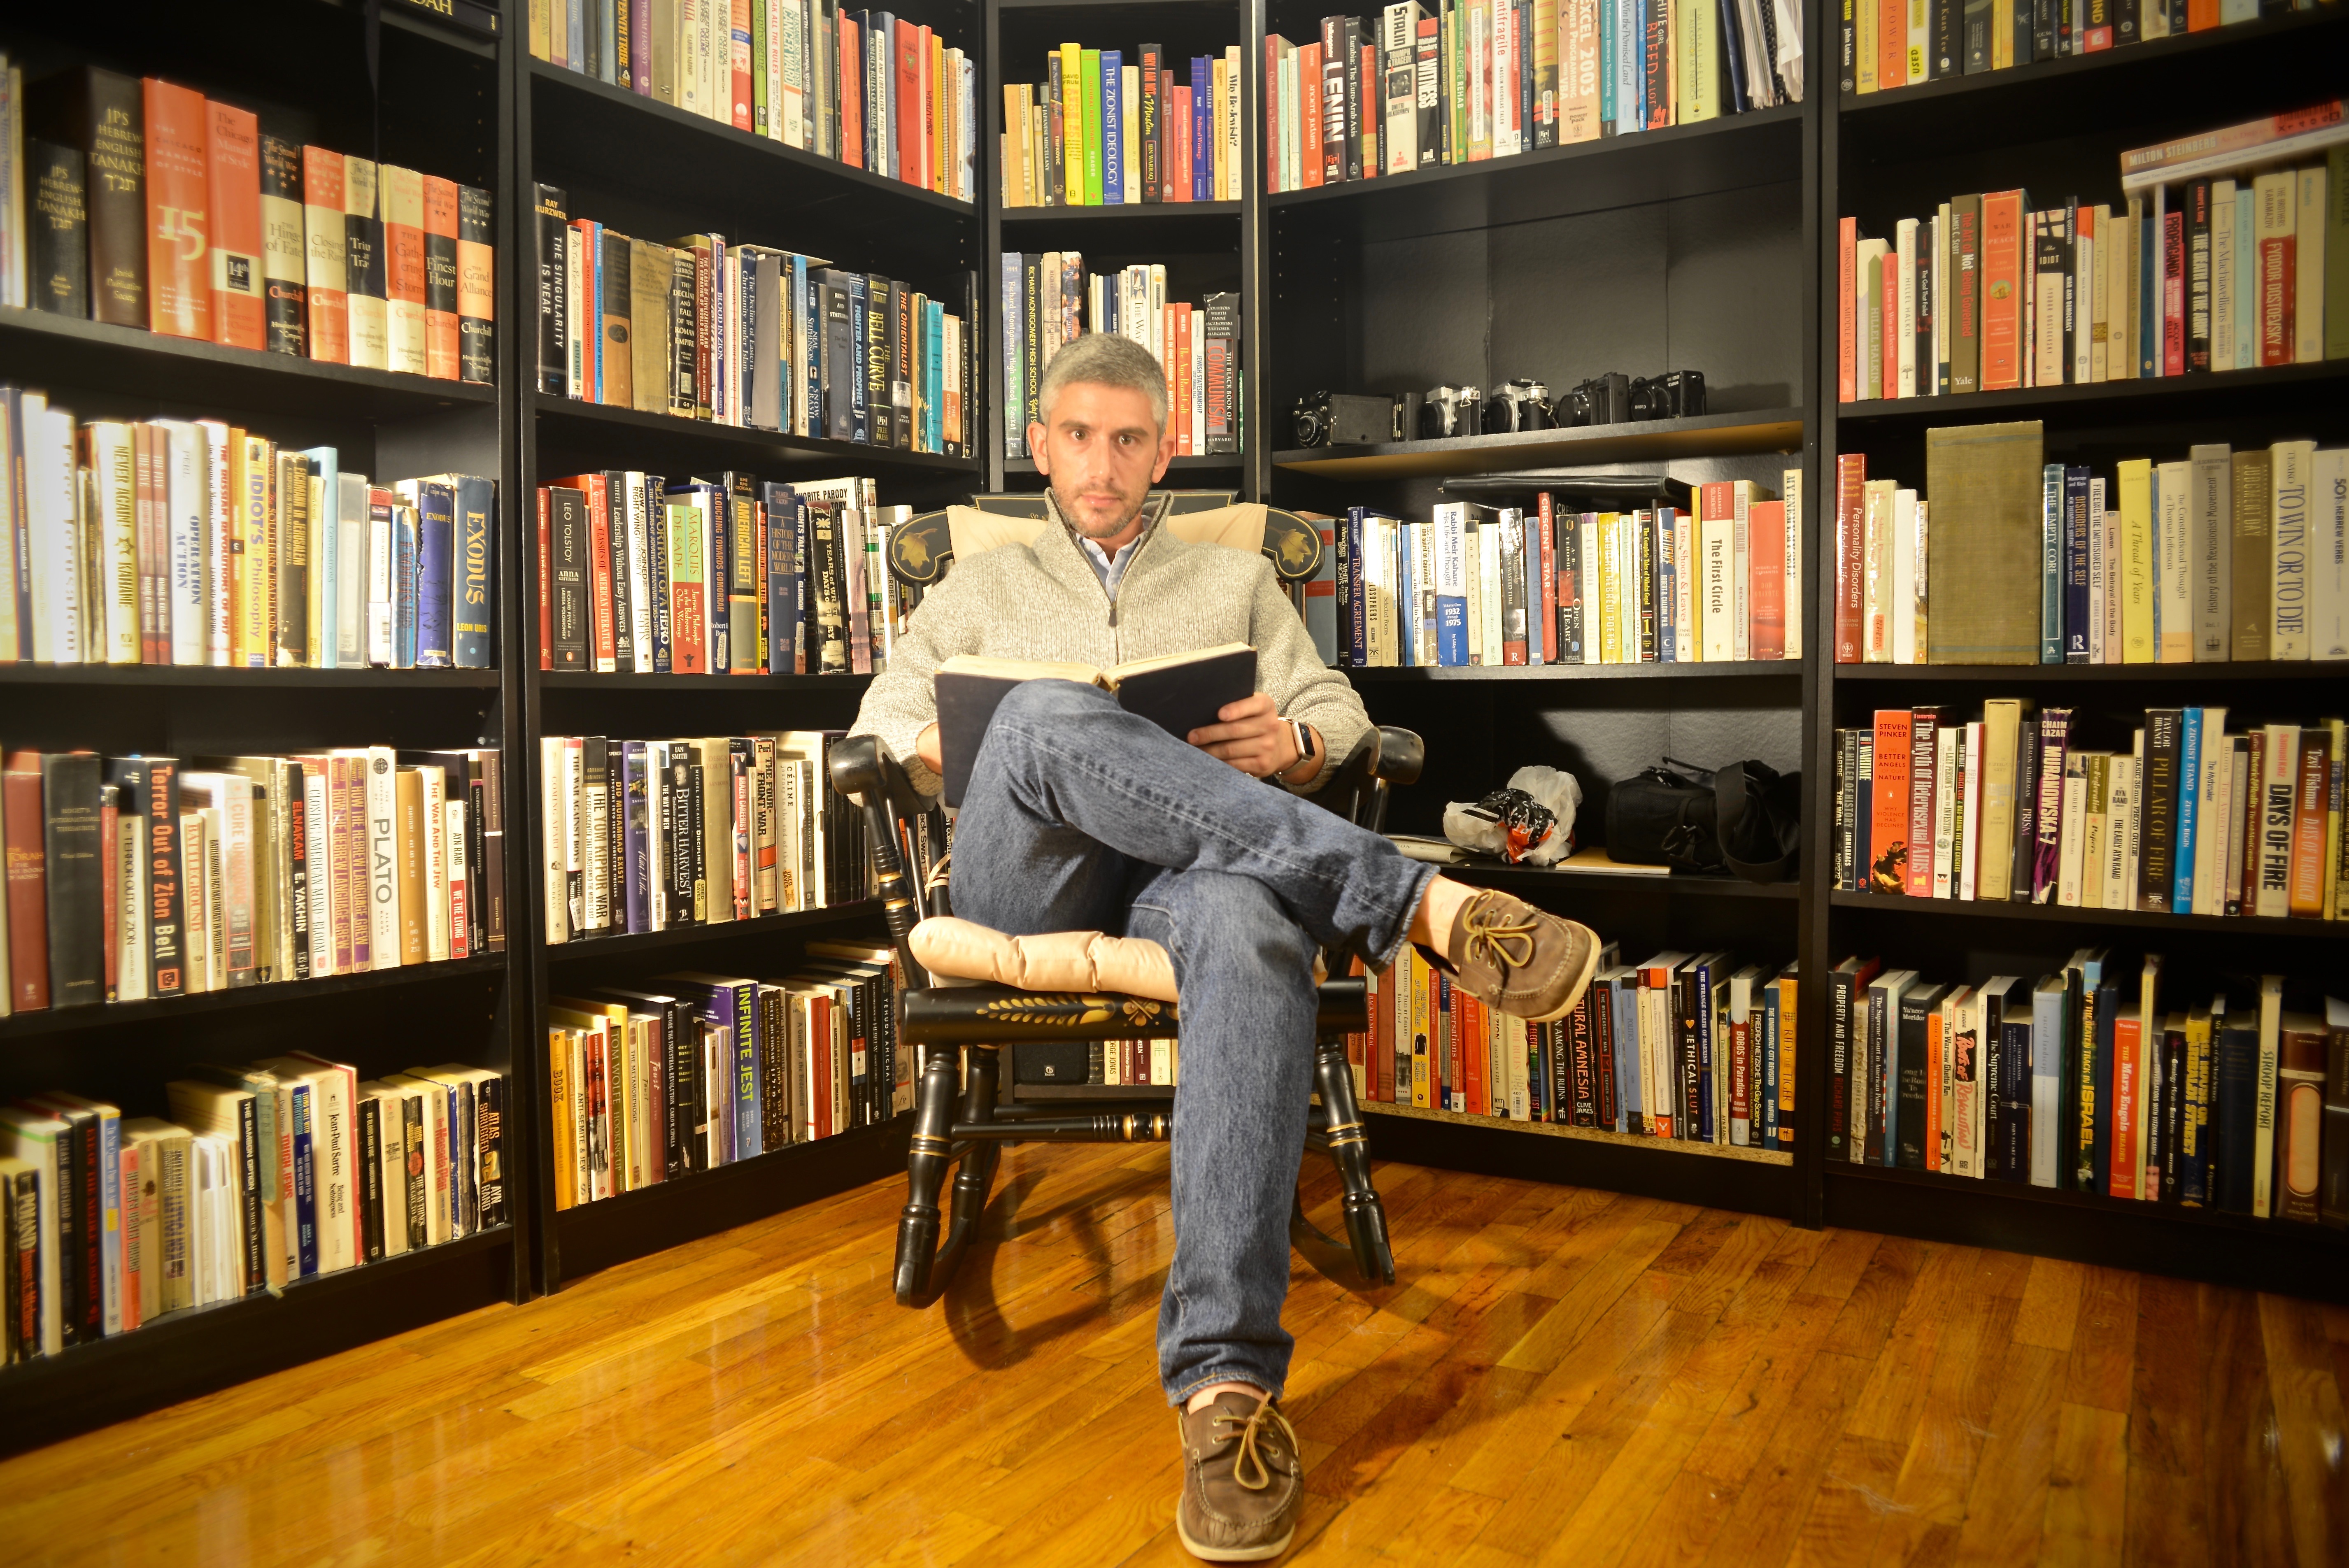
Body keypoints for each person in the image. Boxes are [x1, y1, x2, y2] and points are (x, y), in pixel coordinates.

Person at [849, 332, 1599, 1563]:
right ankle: (1420, 905)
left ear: (1163, 452)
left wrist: (1294, 749)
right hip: (1025, 885)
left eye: (1129, 438)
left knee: (1252, 924)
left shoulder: (1230, 584)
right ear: (1040, 444)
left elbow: (1338, 716)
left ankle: (1225, 1391)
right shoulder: (971, 591)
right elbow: (879, 724)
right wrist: (936, 744)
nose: (1102, 462)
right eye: (1078, 435)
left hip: (1183, 877)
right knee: (1042, 713)